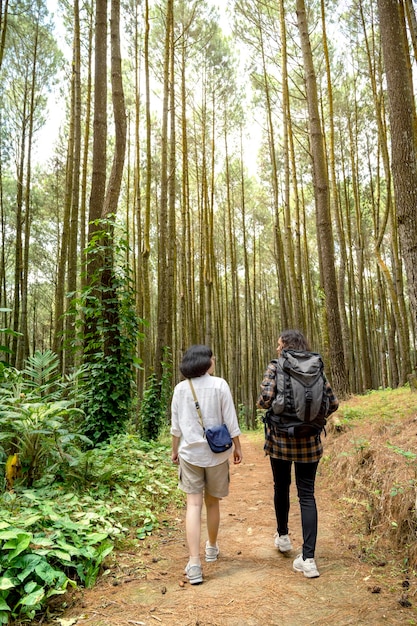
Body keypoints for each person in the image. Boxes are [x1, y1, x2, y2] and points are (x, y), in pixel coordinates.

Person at [257, 329, 338, 578]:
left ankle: (283, 537)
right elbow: (332, 403)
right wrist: (309, 421)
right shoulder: (316, 366)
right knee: (307, 495)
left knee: (281, 487)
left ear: (286, 346)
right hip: (309, 442)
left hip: (280, 440)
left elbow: (264, 399)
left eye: (279, 344)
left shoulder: (276, 366)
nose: (277, 348)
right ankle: (309, 558)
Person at [171, 344, 243, 585]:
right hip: (217, 454)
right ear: (206, 361)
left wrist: (174, 451)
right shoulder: (220, 384)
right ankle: (211, 547)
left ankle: (194, 563)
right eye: (213, 357)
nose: (214, 360)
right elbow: (230, 419)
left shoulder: (180, 389)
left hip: (189, 454)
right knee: (212, 502)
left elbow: (176, 426)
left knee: (193, 505)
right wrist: (237, 446)